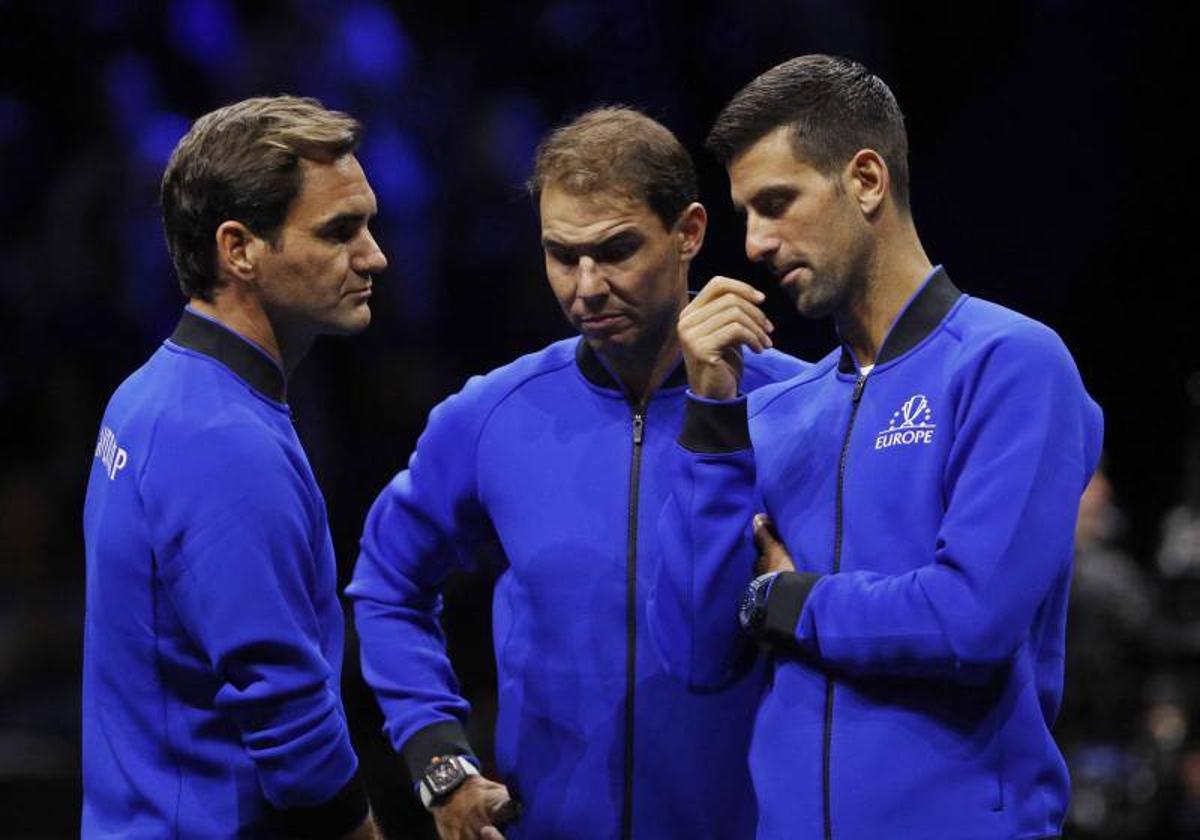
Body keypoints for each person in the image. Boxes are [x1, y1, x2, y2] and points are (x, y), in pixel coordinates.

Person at [647, 55, 1104, 839]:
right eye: (744, 215)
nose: (753, 242)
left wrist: (786, 600)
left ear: (865, 181)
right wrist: (712, 416)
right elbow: (693, 652)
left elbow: (971, 620)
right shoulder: (775, 408)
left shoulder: (1009, 363)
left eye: (777, 203)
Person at [347, 107, 807, 839]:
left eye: (615, 250)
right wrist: (438, 758)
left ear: (688, 232)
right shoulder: (492, 415)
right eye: (562, 255)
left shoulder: (801, 408)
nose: (586, 286)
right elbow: (386, 584)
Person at [81, 96, 387, 838]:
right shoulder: (222, 439)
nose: (374, 255)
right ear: (239, 249)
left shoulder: (153, 391)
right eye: (340, 231)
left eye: (368, 224)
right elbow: (293, 725)